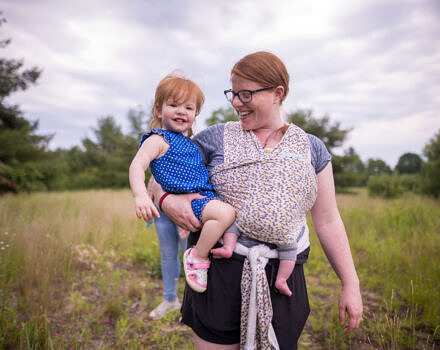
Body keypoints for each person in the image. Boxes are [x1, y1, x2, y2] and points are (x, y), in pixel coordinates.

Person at [154, 51, 363, 349]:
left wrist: (351, 284)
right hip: (218, 274)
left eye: (246, 94)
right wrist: (166, 201)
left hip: (283, 278)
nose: (237, 102)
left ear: (278, 93)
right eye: (233, 94)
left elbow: (328, 219)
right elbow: (158, 172)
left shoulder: (311, 148)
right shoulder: (215, 138)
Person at [129, 73, 237, 294]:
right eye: (173, 105)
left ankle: (203, 264)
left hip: (204, 196)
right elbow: (137, 166)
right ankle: (197, 257)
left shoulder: (192, 143)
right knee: (225, 214)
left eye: (188, 108)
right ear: (159, 110)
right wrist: (140, 195)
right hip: (190, 202)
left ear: (195, 114)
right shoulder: (157, 140)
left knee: (230, 218)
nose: (181, 111)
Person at [148, 207, 187, 320]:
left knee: (190, 257)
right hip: (160, 206)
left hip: (186, 203)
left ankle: (193, 307)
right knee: (167, 255)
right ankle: (170, 300)